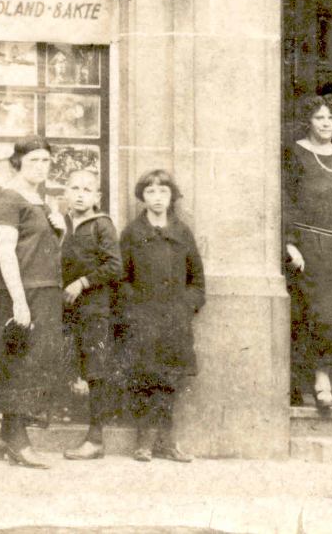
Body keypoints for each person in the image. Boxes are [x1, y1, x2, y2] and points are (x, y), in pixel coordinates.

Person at [0, 136, 68, 467]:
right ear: (17, 162)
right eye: (34, 160)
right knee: (20, 362)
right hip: (22, 292)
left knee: (33, 362)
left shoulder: (39, 200)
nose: (41, 167)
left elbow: (39, 250)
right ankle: (19, 442)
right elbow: (6, 253)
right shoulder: (8, 200)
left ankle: (7, 437)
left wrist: (60, 232)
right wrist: (19, 301)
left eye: (46, 161)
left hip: (46, 290)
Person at [284, 94, 332, 416]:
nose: (326, 123)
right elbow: (284, 201)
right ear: (309, 121)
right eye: (319, 118)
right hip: (312, 246)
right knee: (321, 316)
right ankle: (320, 384)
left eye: (331, 118)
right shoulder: (295, 154)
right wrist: (289, 243)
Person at [117, 169, 205, 464]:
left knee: (169, 379)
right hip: (143, 319)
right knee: (144, 377)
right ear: (142, 196)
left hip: (174, 321)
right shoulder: (132, 233)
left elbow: (197, 280)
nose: (157, 198)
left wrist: (185, 306)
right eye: (151, 192)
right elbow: (121, 278)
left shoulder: (182, 232)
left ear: (171, 197)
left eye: (163, 192)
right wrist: (135, 308)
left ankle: (167, 442)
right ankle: (144, 442)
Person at [54, 168, 123, 460]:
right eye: (74, 188)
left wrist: (82, 283)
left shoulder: (101, 225)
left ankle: (95, 439)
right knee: (66, 362)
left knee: (94, 368)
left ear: (97, 197)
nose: (80, 195)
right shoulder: (64, 224)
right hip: (65, 307)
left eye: (86, 190)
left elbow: (114, 266)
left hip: (94, 307)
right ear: (66, 194)